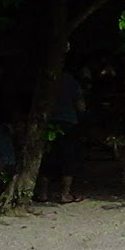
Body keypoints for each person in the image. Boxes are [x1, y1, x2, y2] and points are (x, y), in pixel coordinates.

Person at [38, 67, 85, 202]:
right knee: (68, 158)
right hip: (68, 122)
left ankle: (43, 193)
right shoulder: (73, 83)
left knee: (48, 157)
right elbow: (81, 106)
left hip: (49, 122)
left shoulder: (47, 81)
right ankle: (65, 194)